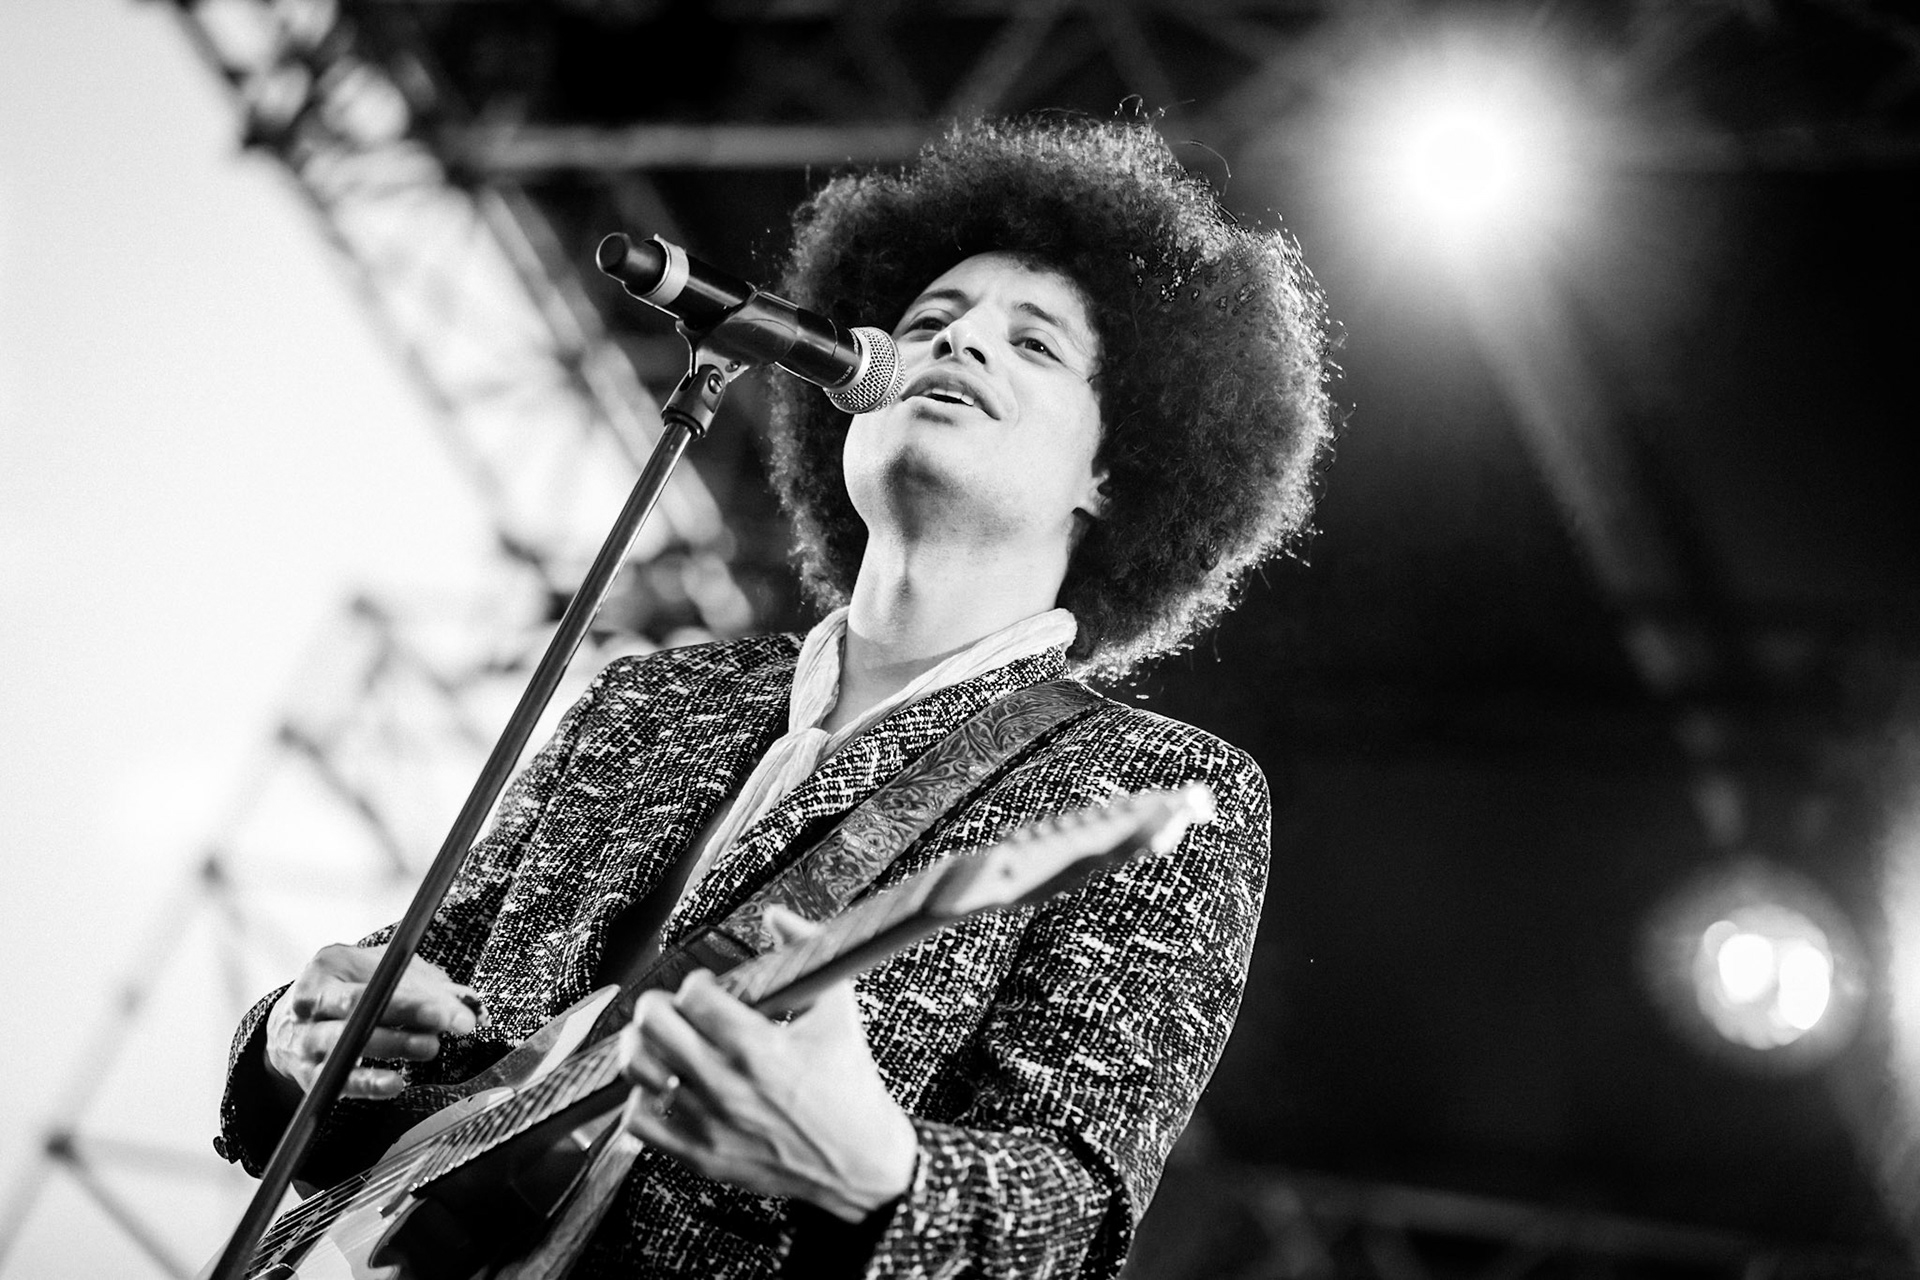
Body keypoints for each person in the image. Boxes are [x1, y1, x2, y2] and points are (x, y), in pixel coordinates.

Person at [213, 115, 1334, 1278]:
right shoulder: (647, 701)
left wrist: (874, 1175)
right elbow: (413, 987)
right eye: (927, 325)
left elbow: (1068, 1217)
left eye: (1035, 345)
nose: (960, 348)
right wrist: (297, 1039)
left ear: (1115, 469)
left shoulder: (1154, 786)